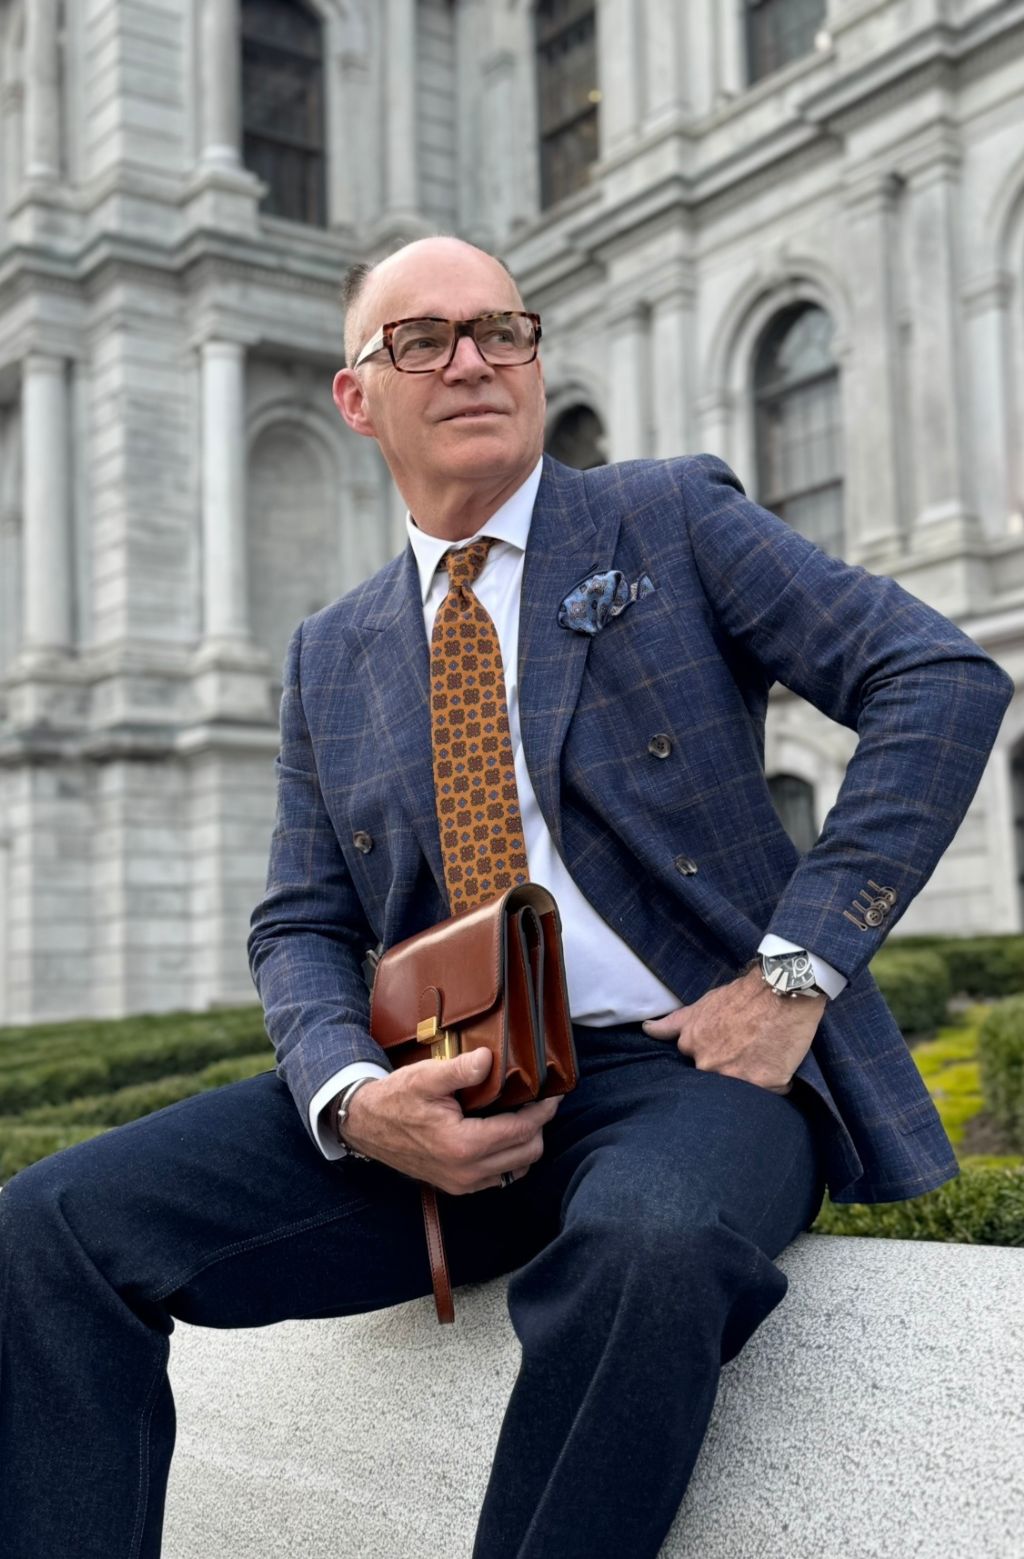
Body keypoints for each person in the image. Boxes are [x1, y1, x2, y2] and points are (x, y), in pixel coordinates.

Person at [0, 236, 1012, 1559]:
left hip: (690, 1075)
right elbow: (300, 919)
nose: (473, 361)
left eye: (503, 331)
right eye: (424, 341)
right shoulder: (330, 652)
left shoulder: (667, 517)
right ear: (357, 397)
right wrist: (354, 1098)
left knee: (648, 1245)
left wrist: (792, 975)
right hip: (441, 1084)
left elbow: (938, 679)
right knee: (48, 1230)